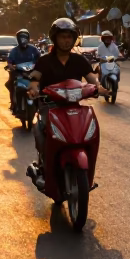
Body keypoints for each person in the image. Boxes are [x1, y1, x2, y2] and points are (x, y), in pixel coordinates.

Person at [26, 18, 108, 169]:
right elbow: (35, 78)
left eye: (69, 37)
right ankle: (44, 163)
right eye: (63, 37)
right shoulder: (44, 61)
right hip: (49, 107)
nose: (66, 41)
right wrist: (33, 89)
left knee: (89, 131)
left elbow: (91, 78)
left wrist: (99, 87)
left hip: (73, 107)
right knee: (39, 130)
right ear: (55, 38)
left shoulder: (79, 60)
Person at [5, 29, 42, 107]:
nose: (23, 40)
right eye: (21, 37)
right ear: (18, 39)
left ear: (28, 38)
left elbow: (40, 58)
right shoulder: (14, 51)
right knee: (11, 84)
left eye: (25, 37)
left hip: (32, 73)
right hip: (18, 73)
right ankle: (13, 103)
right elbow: (9, 61)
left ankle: (40, 105)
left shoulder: (33, 49)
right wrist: (11, 66)